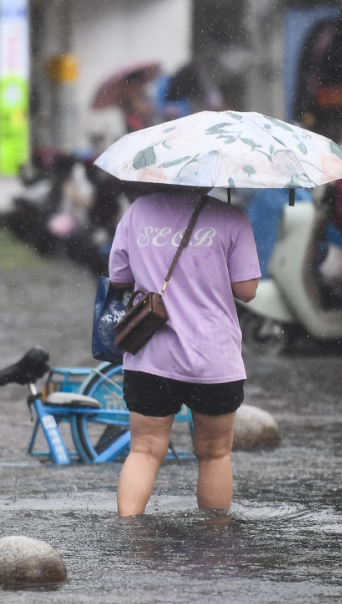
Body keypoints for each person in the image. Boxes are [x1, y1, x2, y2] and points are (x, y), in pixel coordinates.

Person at [109, 186, 260, 517]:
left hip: (151, 355)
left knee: (144, 451)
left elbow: (119, 277)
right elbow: (247, 290)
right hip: (214, 359)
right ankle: (213, 539)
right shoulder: (232, 217)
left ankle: (129, 531)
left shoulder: (138, 211)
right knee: (215, 454)